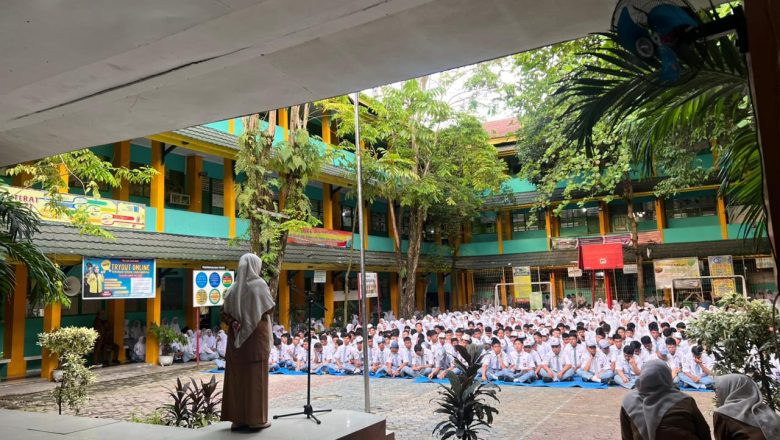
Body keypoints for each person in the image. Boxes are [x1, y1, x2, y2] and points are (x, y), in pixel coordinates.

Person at [220, 253, 275, 432]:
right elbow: (269, 307)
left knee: (237, 379)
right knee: (256, 378)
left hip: (236, 340)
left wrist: (236, 322)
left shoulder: (233, 288)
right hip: (255, 339)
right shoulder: (259, 285)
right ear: (254, 266)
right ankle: (257, 420)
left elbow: (224, 313)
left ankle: (238, 420)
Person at [620, 360, 711, 440]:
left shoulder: (629, 401)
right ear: (667, 376)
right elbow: (704, 431)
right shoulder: (685, 401)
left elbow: (627, 436)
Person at [713, 374, 780, 440]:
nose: (716, 395)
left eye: (718, 390)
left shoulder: (723, 414)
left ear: (731, 389)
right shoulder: (767, 412)